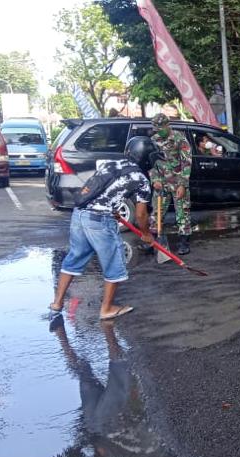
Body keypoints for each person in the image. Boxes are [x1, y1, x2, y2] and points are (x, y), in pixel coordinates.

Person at [49, 154, 153, 320]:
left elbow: (102, 189)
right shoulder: (141, 179)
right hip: (100, 219)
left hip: (80, 213)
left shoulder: (113, 163)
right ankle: (107, 309)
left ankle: (57, 304)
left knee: (74, 258)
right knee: (115, 263)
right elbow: (141, 215)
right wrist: (147, 235)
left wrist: (113, 209)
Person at [150, 113, 194, 255]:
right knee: (157, 213)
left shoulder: (179, 138)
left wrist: (182, 184)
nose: (158, 131)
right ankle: (154, 242)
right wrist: (154, 179)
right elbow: (151, 162)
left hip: (177, 183)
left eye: (161, 128)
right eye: (156, 129)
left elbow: (186, 163)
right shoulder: (154, 140)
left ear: (168, 125)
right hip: (161, 185)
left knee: (182, 213)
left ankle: (184, 243)